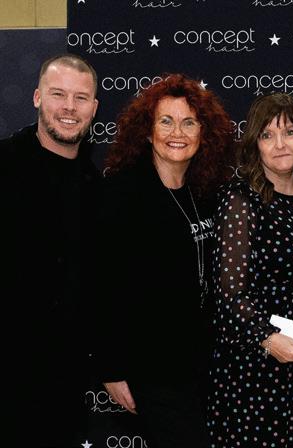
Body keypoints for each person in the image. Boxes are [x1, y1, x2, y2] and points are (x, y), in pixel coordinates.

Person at [94, 73, 233, 448]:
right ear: (147, 131)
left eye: (189, 122)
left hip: (202, 363)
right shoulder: (123, 194)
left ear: (203, 132)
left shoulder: (205, 192)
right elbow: (102, 286)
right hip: (151, 367)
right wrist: (110, 368)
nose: (178, 132)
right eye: (166, 121)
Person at [206, 92, 293, 447]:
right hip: (256, 368)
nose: (280, 144)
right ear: (255, 145)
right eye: (267, 135)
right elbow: (229, 293)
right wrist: (268, 339)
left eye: (289, 132)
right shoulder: (241, 199)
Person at [0, 53, 100, 448]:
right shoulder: (4, 166)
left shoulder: (95, 186)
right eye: (59, 94)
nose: (69, 107)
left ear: (94, 108)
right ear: (38, 97)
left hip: (63, 389)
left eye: (80, 98)